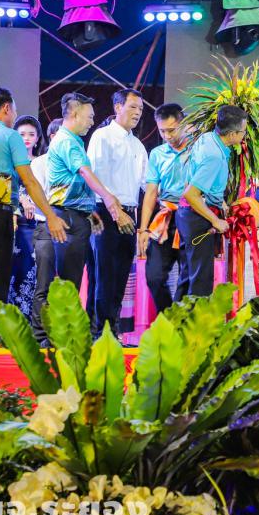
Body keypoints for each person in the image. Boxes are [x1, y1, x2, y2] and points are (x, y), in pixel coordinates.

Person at [0, 87, 66, 345]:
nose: (15, 114)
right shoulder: (9, 136)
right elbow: (29, 179)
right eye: (14, 109)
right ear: (6, 108)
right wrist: (50, 215)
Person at [46, 92, 133, 306]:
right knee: (68, 285)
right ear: (75, 114)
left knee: (74, 282)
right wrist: (108, 198)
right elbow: (85, 172)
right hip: (68, 217)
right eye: (90, 117)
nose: (92, 122)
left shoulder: (73, 141)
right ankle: (61, 328)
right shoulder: (67, 141)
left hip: (76, 216)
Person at [87, 88, 148, 334]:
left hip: (130, 214)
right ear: (118, 107)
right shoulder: (102, 137)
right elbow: (95, 178)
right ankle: (99, 331)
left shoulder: (138, 145)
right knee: (104, 274)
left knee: (121, 274)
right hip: (104, 212)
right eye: (133, 107)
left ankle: (112, 329)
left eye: (141, 109)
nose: (137, 113)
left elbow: (147, 184)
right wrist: (116, 212)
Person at [178, 105, 248, 297]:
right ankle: (197, 317)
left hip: (187, 215)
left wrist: (220, 202)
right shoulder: (215, 156)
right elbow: (191, 194)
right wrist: (215, 220)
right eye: (243, 131)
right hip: (197, 217)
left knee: (188, 276)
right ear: (232, 134)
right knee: (200, 281)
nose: (244, 135)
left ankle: (178, 316)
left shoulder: (208, 138)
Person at [139, 103, 190, 312]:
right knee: (154, 276)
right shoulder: (157, 154)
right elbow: (151, 192)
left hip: (191, 217)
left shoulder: (197, 151)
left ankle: (180, 322)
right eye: (162, 131)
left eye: (172, 130)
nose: (167, 136)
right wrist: (143, 229)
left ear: (183, 124)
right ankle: (169, 317)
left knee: (188, 278)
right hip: (165, 220)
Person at [9, 115, 45, 315]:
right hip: (17, 224)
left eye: (31, 134)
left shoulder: (43, 162)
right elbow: (7, 186)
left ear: (38, 138)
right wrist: (23, 199)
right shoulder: (10, 162)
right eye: (22, 134)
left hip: (39, 223)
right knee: (17, 270)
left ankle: (34, 320)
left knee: (38, 272)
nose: (27, 138)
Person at [30, 119, 63, 337]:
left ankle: (63, 333)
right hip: (46, 226)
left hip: (70, 227)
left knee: (66, 285)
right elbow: (39, 195)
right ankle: (40, 335)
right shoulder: (40, 163)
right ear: (52, 137)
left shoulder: (75, 162)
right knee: (44, 283)